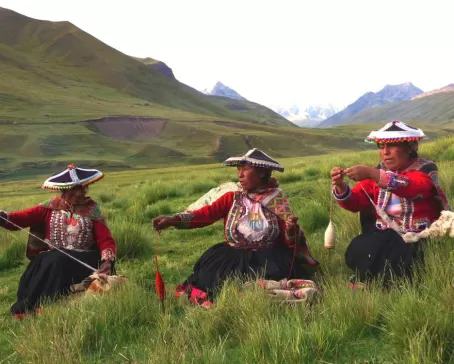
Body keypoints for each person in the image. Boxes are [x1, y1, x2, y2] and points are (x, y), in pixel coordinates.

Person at [153, 148, 319, 307]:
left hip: (269, 259)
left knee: (272, 280)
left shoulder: (277, 200)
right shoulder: (231, 198)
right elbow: (204, 216)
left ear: (261, 172)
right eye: (238, 170)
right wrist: (172, 220)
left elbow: (290, 240)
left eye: (245, 169)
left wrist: (291, 230)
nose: (239, 175)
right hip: (232, 257)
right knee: (212, 279)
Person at [330, 120, 451, 286]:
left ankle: (381, 282)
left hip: (417, 238)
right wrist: (341, 187)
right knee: (358, 248)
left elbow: (412, 187)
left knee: (402, 255)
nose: (385, 152)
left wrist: (374, 174)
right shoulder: (378, 173)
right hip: (383, 236)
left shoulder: (424, 170)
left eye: (392, 146)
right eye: (381, 146)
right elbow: (355, 202)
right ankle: (380, 279)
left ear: (410, 147)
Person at [0, 164, 116, 318]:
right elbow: (20, 218)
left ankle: (46, 304)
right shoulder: (49, 208)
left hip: (83, 258)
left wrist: (107, 262)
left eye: (80, 189)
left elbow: (105, 240)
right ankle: (29, 305)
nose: (77, 193)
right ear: (63, 190)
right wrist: (3, 217)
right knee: (42, 260)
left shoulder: (92, 210)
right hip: (55, 258)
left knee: (57, 259)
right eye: (72, 190)